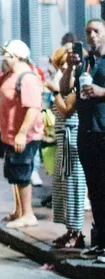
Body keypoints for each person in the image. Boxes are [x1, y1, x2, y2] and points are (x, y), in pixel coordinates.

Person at [0, 39, 43, 229]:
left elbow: (33, 109)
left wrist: (22, 133)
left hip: (24, 136)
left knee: (23, 174)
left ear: (17, 56)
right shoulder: (9, 75)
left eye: (7, 54)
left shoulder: (27, 78)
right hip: (10, 134)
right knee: (14, 174)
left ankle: (28, 214)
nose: (3, 58)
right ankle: (19, 211)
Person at [60, 18, 105, 255]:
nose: (92, 36)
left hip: (103, 131)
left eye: (97, 31)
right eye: (88, 31)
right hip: (86, 133)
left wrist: (101, 92)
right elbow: (64, 89)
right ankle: (100, 243)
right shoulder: (85, 62)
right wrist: (69, 66)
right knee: (95, 190)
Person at [45, 45, 85, 250]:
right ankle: (70, 229)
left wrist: (55, 92)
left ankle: (77, 231)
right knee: (63, 187)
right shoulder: (66, 79)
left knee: (74, 186)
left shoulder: (80, 81)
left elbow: (67, 109)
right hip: (63, 138)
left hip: (72, 137)